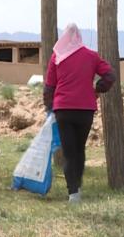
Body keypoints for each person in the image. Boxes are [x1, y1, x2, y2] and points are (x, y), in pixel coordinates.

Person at [43, 24, 116, 204]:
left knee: (69, 152)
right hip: (85, 110)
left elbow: (49, 87)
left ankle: (73, 192)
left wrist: (49, 108)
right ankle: (78, 185)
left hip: (63, 110)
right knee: (79, 148)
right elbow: (110, 75)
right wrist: (98, 89)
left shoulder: (57, 57)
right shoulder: (91, 56)